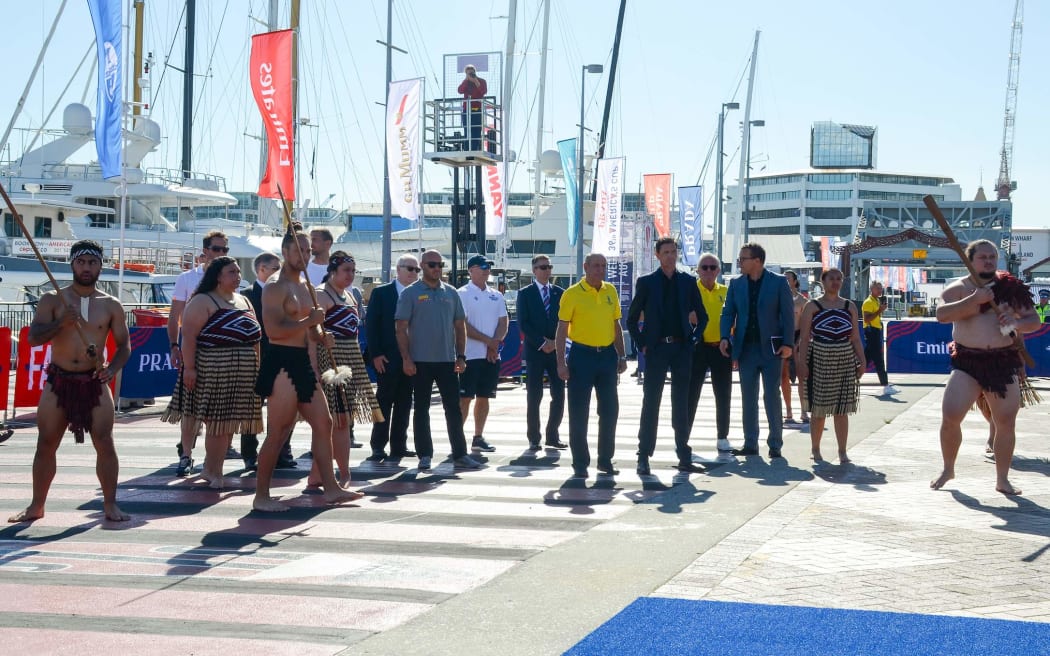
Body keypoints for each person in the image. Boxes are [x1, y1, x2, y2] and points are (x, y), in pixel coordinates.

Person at [9, 240, 131, 523]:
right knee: (46, 443)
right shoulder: (53, 299)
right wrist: (60, 323)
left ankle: (110, 504)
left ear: (100, 266)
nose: (86, 268)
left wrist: (111, 369)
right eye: (81, 262)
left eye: (92, 263)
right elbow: (34, 338)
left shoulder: (111, 305)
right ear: (72, 264)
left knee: (105, 442)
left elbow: (124, 346)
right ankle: (36, 505)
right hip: (59, 381)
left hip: (94, 381)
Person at [252, 224, 362, 511]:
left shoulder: (306, 286)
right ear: (285, 250)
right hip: (281, 362)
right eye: (298, 249)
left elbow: (307, 331)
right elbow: (274, 330)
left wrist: (319, 335)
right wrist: (309, 322)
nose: (304, 255)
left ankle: (331, 488)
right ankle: (261, 496)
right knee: (279, 430)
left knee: (324, 423)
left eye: (308, 250)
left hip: (303, 361)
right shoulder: (276, 286)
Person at [930, 239, 1040, 496]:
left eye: (993, 256)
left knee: (1005, 422)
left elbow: (1033, 321)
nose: (989, 261)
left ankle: (1002, 479)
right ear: (970, 260)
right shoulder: (957, 289)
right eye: (983, 257)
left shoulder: (1010, 288)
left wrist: (1015, 321)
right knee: (950, 416)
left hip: (1002, 361)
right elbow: (942, 315)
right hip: (967, 362)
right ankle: (948, 468)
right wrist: (974, 300)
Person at [161, 257, 263, 489]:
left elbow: (255, 338)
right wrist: (190, 368)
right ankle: (213, 470)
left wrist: (257, 367)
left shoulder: (244, 300)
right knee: (218, 423)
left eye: (238, 272)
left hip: (243, 371)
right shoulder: (202, 301)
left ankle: (211, 466)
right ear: (217, 276)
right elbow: (189, 337)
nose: (237, 276)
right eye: (231, 272)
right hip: (211, 367)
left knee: (229, 424)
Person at [395, 249, 481, 471]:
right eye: (432, 264)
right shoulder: (410, 293)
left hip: (447, 361)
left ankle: (460, 453)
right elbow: (401, 328)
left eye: (440, 264)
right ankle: (425, 454)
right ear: (422, 266)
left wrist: (461, 356)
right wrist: (406, 359)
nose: (437, 269)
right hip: (420, 361)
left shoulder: (451, 293)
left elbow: (460, 326)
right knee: (421, 408)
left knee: (453, 408)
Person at [627, 237, 705, 475]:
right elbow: (631, 319)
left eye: (674, 252)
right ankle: (643, 455)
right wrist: (642, 344)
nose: (671, 256)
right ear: (657, 255)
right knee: (651, 402)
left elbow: (703, 317)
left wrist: (693, 340)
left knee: (681, 403)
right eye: (666, 252)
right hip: (657, 349)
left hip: (681, 349)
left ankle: (683, 453)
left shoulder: (688, 282)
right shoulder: (647, 282)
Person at [310, 251, 380, 488]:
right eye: (346, 271)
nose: (350, 275)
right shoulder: (321, 295)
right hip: (328, 360)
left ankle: (329, 473)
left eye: (353, 270)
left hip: (350, 360)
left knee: (343, 419)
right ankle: (338, 473)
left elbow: (355, 332)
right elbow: (310, 334)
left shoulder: (351, 296)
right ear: (332, 271)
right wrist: (314, 367)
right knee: (331, 420)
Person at [719, 242, 795, 458]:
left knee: (772, 394)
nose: (740, 262)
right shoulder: (736, 284)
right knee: (748, 397)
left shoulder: (778, 283)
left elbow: (788, 315)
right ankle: (750, 443)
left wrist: (788, 343)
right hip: (746, 349)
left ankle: (775, 444)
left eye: (743, 259)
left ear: (757, 261)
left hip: (772, 349)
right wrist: (725, 337)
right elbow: (728, 313)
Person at [556, 253, 628, 479]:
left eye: (603, 266)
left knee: (610, 410)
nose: (600, 269)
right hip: (581, 355)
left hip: (606, 355)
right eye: (596, 265)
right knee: (579, 412)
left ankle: (605, 460)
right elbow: (561, 330)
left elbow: (616, 325)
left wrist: (622, 355)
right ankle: (580, 462)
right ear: (585, 267)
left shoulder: (610, 291)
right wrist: (561, 362)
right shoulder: (572, 293)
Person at [167, 230, 230, 476]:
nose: (221, 254)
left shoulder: (231, 280)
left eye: (225, 250)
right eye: (217, 249)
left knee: (219, 407)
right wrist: (174, 345)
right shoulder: (187, 279)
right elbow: (175, 316)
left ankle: (214, 458)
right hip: (194, 349)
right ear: (205, 251)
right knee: (190, 406)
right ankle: (186, 454)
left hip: (222, 354)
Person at [796, 268, 866, 464]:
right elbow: (803, 338)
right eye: (831, 279)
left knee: (842, 409)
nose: (835, 282)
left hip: (844, 357)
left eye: (838, 279)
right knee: (819, 408)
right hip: (820, 357)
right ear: (823, 281)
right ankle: (815, 449)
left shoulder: (849, 306)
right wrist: (801, 364)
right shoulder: (812, 306)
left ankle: (842, 451)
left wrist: (862, 361)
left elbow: (855, 337)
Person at [239, 252, 297, 472]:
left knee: (286, 407)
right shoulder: (245, 296)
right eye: (275, 268)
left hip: (284, 357)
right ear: (261, 269)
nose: (279, 272)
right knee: (253, 409)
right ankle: (250, 454)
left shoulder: (287, 294)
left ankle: (283, 451)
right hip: (256, 359)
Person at [366, 254, 420, 463]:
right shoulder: (382, 293)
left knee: (405, 402)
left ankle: (399, 445)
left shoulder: (420, 293)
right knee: (384, 401)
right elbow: (372, 326)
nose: (414, 273)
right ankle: (378, 445)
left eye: (417, 270)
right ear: (398, 270)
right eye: (410, 269)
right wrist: (376, 355)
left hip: (411, 358)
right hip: (387, 358)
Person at [458, 254, 509, 453]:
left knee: (484, 397)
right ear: (471, 270)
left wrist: (493, 345)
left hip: (491, 355)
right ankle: (458, 438)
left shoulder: (496, 295)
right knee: (465, 398)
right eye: (483, 266)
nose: (487, 269)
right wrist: (488, 341)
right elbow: (461, 324)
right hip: (469, 355)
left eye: (488, 266)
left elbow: (503, 322)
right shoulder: (462, 293)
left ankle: (478, 436)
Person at [516, 254, 567, 451]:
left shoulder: (560, 293)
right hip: (535, 350)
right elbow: (523, 323)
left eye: (549, 267)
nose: (547, 271)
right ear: (534, 270)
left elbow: (566, 322)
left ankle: (552, 435)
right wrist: (541, 343)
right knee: (534, 395)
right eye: (542, 267)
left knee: (559, 394)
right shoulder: (525, 293)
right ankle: (534, 437)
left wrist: (555, 343)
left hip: (556, 350)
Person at [687, 252, 733, 453]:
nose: (708, 271)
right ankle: (683, 436)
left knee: (723, 394)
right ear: (697, 270)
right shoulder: (689, 291)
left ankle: (722, 436)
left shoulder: (726, 291)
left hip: (721, 348)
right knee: (690, 394)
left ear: (718, 271)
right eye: (704, 267)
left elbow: (735, 318)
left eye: (712, 267)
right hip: (697, 348)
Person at [862, 281, 900, 396]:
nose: (880, 290)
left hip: (875, 331)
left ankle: (849, 380)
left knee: (866, 360)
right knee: (878, 360)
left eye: (881, 288)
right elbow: (867, 319)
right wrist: (880, 310)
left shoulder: (876, 301)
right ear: (871, 289)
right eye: (877, 288)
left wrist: (879, 310)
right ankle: (885, 386)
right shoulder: (868, 302)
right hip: (871, 331)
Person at [781, 270, 810, 425]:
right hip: (783, 338)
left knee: (801, 376)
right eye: (783, 278)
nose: (785, 281)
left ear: (794, 281)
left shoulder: (802, 301)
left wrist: (799, 342)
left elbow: (807, 324)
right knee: (783, 376)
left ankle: (804, 410)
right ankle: (788, 409)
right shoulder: (778, 298)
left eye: (788, 279)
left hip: (798, 338)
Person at [457, 64, 487, 150]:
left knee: (477, 130)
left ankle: (475, 148)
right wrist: (466, 80)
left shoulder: (481, 81)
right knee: (467, 130)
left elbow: (483, 91)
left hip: (477, 109)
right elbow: (460, 90)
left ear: (475, 72)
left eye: (472, 73)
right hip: (467, 110)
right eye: (468, 73)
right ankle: (467, 149)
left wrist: (475, 81)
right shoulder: (466, 82)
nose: (470, 75)